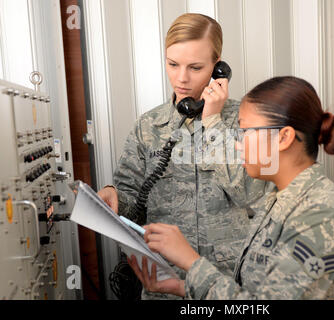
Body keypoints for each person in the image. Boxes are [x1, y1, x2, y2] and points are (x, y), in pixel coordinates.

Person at [129, 76, 334, 299]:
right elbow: (253, 292)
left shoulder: (321, 222)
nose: (237, 143)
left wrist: (191, 263)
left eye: (245, 132)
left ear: (283, 138)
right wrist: (182, 287)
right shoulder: (278, 200)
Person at [97, 13, 268, 299]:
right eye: (172, 64)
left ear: (218, 67)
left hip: (228, 286)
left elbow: (251, 194)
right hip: (164, 283)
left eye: (196, 67)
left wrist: (213, 123)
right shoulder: (148, 126)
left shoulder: (245, 120)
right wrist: (113, 196)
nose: (182, 78)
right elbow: (131, 199)